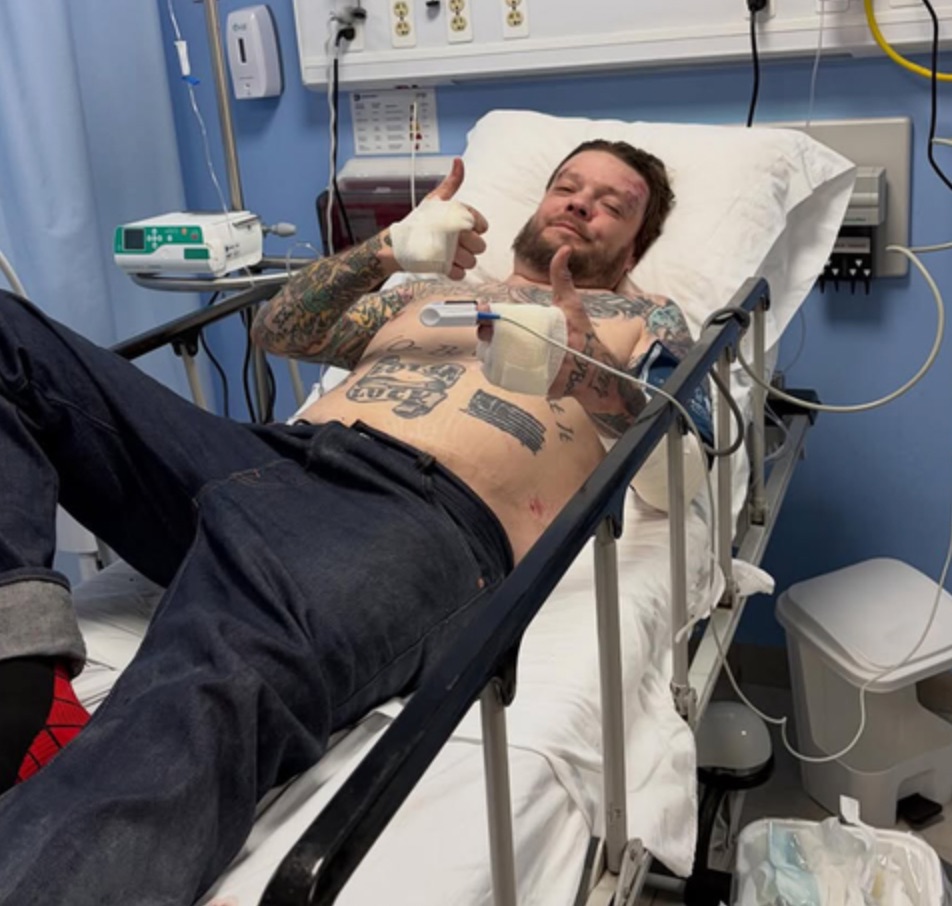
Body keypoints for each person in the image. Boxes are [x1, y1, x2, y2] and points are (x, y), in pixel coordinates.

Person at [0, 139, 690, 904]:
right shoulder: (427, 291)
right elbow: (278, 329)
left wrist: (595, 374)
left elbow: (685, 451)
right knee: (10, 338)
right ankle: (17, 664)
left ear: (636, 246)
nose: (581, 203)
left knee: (211, 686)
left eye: (612, 204)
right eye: (568, 185)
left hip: (415, 512)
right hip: (267, 455)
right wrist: (387, 251)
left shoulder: (641, 319)